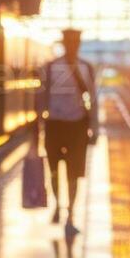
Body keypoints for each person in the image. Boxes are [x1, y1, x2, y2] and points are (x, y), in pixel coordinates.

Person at [34, 28, 99, 237]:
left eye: (75, 42)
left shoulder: (86, 68)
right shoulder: (51, 68)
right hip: (54, 125)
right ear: (64, 43)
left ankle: (70, 213)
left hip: (77, 127)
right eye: (69, 42)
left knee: (74, 173)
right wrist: (37, 126)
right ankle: (57, 205)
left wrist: (94, 127)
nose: (72, 45)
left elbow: (94, 101)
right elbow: (40, 98)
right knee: (53, 170)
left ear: (79, 44)